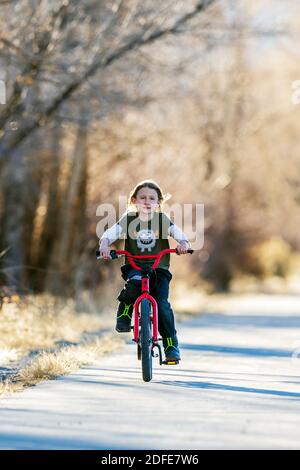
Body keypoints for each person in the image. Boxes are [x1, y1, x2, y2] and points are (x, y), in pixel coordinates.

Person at [99, 180, 191, 362]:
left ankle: (171, 344)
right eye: (142, 198)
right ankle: (124, 314)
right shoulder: (128, 219)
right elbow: (112, 232)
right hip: (135, 266)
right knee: (133, 284)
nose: (147, 201)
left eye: (152, 198)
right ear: (134, 201)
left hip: (159, 268)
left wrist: (183, 243)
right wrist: (104, 243)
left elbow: (177, 232)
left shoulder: (161, 219)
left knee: (162, 305)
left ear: (159, 203)